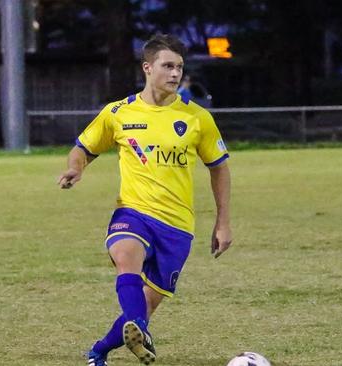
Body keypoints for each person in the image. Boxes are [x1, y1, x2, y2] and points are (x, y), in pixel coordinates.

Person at [57, 34, 232, 366]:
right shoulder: (119, 113)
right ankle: (141, 330)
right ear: (148, 68)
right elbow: (83, 147)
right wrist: (74, 167)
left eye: (179, 67)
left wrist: (223, 222)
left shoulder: (197, 118)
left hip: (178, 227)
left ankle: (100, 350)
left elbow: (219, 168)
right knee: (126, 257)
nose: (175, 74)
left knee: (144, 306)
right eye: (168, 66)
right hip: (133, 212)